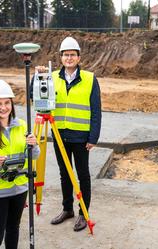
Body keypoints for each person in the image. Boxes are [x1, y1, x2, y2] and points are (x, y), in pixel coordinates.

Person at [36, 36, 101, 231]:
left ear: (79, 57)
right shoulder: (52, 76)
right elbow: (36, 96)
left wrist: (93, 137)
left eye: (72, 55)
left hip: (81, 137)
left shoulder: (90, 79)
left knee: (83, 176)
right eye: (65, 55)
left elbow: (96, 110)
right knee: (65, 174)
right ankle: (67, 209)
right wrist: (37, 77)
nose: (69, 58)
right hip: (59, 134)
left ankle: (83, 213)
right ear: (61, 57)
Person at [0, 79, 40, 249]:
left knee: (13, 230)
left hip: (19, 189)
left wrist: (34, 145)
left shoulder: (22, 126)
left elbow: (33, 156)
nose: (3, 107)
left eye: (6, 103)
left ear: (12, 104)